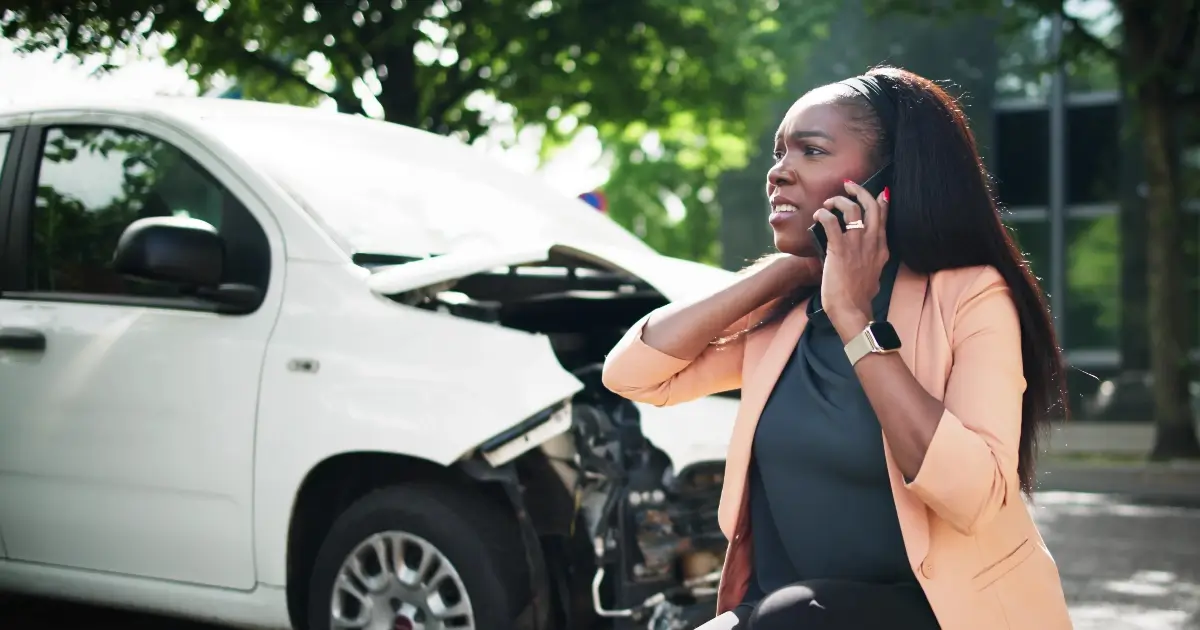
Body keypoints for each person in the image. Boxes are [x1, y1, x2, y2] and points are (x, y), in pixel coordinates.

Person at [601, 66, 1075, 630]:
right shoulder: (792, 314)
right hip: (782, 615)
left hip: (937, 615)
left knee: (792, 615)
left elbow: (973, 495)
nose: (779, 172)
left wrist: (856, 323)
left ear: (886, 182)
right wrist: (781, 274)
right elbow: (632, 375)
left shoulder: (971, 296)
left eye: (812, 151)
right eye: (779, 152)